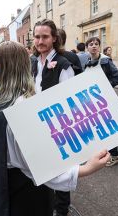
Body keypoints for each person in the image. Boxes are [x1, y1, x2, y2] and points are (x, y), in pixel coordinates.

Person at [0, 41, 110, 216]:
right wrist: (85, 169)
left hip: (0, 179)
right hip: (25, 190)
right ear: (24, 66)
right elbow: (37, 165)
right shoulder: (21, 106)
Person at [31, 19, 75, 216]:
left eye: (45, 37)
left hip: (58, 126)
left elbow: (70, 101)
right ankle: (47, 205)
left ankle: (62, 210)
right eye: (37, 36)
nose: (40, 41)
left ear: (54, 38)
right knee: (44, 169)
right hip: (38, 125)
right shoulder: (33, 62)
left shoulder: (64, 65)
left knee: (62, 170)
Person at [84, 37, 118, 166]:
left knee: (106, 126)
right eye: (91, 44)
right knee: (98, 126)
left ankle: (115, 155)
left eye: (96, 44)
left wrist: (104, 86)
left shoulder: (105, 61)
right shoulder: (88, 61)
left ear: (99, 47)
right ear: (87, 47)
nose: (94, 46)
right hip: (93, 99)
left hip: (105, 99)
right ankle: (103, 153)